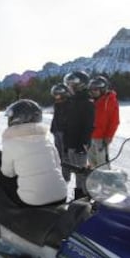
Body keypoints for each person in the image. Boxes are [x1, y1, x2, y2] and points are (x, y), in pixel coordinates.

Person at [0, 99, 67, 206]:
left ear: (15, 119)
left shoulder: (10, 143)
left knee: (1, 174)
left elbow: (8, 173)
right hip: (61, 195)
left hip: (33, 201)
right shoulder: (46, 140)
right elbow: (57, 165)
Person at [63, 71, 95, 200]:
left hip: (79, 145)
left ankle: (83, 199)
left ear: (80, 85)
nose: (69, 87)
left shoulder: (87, 103)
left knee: (81, 174)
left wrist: (83, 145)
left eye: (71, 85)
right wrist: (66, 144)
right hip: (71, 143)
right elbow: (68, 124)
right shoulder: (72, 101)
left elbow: (88, 126)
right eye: (68, 85)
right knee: (76, 173)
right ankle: (79, 198)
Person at [88, 76, 120, 167]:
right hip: (90, 137)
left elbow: (114, 121)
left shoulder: (110, 101)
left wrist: (109, 136)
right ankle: (93, 180)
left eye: (95, 89)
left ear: (102, 89)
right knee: (92, 162)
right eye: (91, 89)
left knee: (102, 163)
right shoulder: (91, 101)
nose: (92, 91)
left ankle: (105, 180)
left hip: (101, 138)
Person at [50, 83, 71, 182]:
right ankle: (59, 174)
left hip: (65, 132)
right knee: (57, 154)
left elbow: (67, 120)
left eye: (57, 95)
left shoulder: (68, 104)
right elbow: (56, 118)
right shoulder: (57, 104)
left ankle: (66, 176)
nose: (55, 97)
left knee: (65, 155)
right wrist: (53, 128)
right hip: (57, 131)